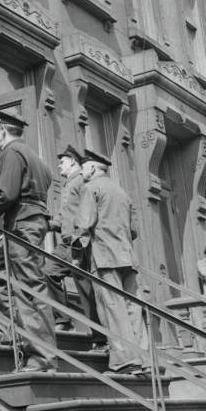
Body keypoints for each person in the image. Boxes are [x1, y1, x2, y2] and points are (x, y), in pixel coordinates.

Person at [0, 109, 57, 372]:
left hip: (21, 226)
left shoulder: (11, 152)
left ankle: (42, 358)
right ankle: (15, 333)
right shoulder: (36, 158)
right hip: (29, 224)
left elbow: (6, 194)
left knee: (29, 289)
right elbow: (47, 182)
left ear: (3, 130)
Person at [72, 149, 148, 374]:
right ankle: (143, 361)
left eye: (84, 168)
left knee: (113, 309)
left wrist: (76, 256)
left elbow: (83, 224)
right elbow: (134, 230)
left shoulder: (90, 187)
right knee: (133, 310)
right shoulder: (122, 192)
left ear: (93, 168)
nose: (82, 172)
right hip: (128, 257)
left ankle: (124, 361)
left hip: (105, 257)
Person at [45, 144, 91, 332]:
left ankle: (100, 338)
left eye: (62, 162)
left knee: (86, 289)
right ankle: (63, 319)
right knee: (49, 271)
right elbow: (65, 214)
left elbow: (86, 213)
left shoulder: (82, 181)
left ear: (73, 161)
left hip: (78, 244)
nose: (59, 166)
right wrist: (48, 225)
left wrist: (80, 241)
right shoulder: (69, 183)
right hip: (65, 245)